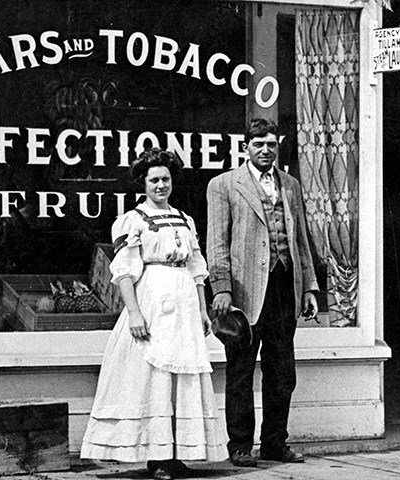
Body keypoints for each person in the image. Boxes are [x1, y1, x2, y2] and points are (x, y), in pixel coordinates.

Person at [80, 149, 227, 479]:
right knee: (154, 378)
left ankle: (176, 454)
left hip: (185, 305)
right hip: (152, 301)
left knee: (181, 377)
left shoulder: (184, 219)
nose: (161, 185)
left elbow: (196, 268)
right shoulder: (134, 220)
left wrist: (203, 310)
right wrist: (133, 313)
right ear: (143, 184)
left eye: (166, 179)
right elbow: (124, 271)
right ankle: (156, 456)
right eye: (154, 180)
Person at [206, 118, 318, 467]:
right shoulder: (224, 185)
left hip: (285, 288)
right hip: (244, 293)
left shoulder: (291, 185)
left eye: (271, 144)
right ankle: (239, 446)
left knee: (282, 372)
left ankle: (274, 443)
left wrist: (310, 288)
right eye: (258, 145)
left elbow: (300, 242)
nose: (265, 150)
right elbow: (216, 242)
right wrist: (221, 288)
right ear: (246, 148)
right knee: (240, 371)